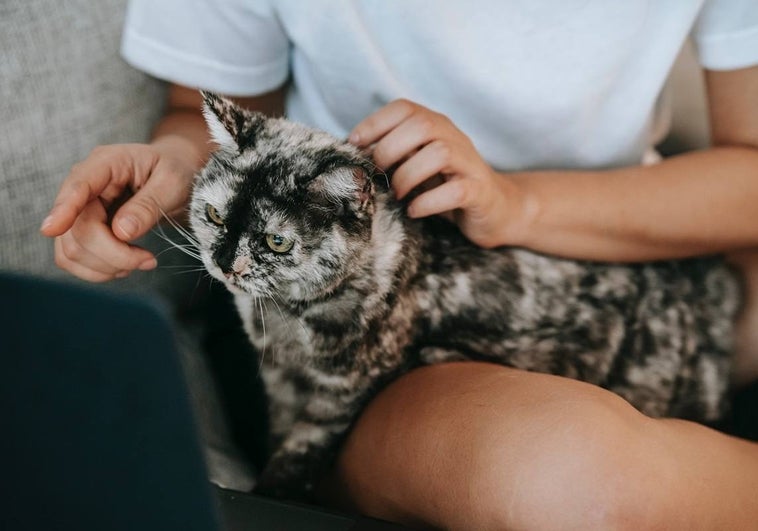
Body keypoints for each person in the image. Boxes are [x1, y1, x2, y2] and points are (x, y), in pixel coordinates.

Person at [41, 1, 758, 528]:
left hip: (631, 266)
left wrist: (518, 204)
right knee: (576, 482)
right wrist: (168, 172)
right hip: (368, 343)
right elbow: (205, 117)